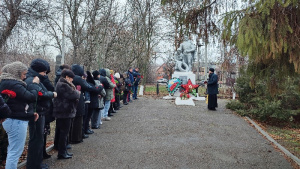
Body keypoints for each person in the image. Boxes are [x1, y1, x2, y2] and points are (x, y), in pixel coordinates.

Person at [0, 61, 40, 169]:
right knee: (15, 152)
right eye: (23, 74)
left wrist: (30, 114)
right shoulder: (14, 84)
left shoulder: (6, 82)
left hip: (13, 120)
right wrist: (35, 85)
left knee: (13, 150)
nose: (25, 76)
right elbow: (31, 97)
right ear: (16, 73)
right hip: (16, 121)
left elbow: (17, 104)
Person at [25, 58, 57, 169]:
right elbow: (41, 93)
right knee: (36, 140)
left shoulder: (36, 79)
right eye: (43, 72)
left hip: (40, 112)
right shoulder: (32, 80)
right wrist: (52, 94)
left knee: (39, 140)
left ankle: (37, 163)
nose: (45, 75)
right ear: (38, 71)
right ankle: (34, 165)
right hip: (36, 113)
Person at [53, 69, 80, 159]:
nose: (72, 80)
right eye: (71, 78)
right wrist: (77, 92)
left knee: (64, 133)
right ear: (67, 77)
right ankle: (62, 152)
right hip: (64, 111)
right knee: (64, 133)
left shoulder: (62, 84)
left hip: (64, 111)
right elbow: (74, 95)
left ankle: (63, 151)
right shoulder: (63, 85)